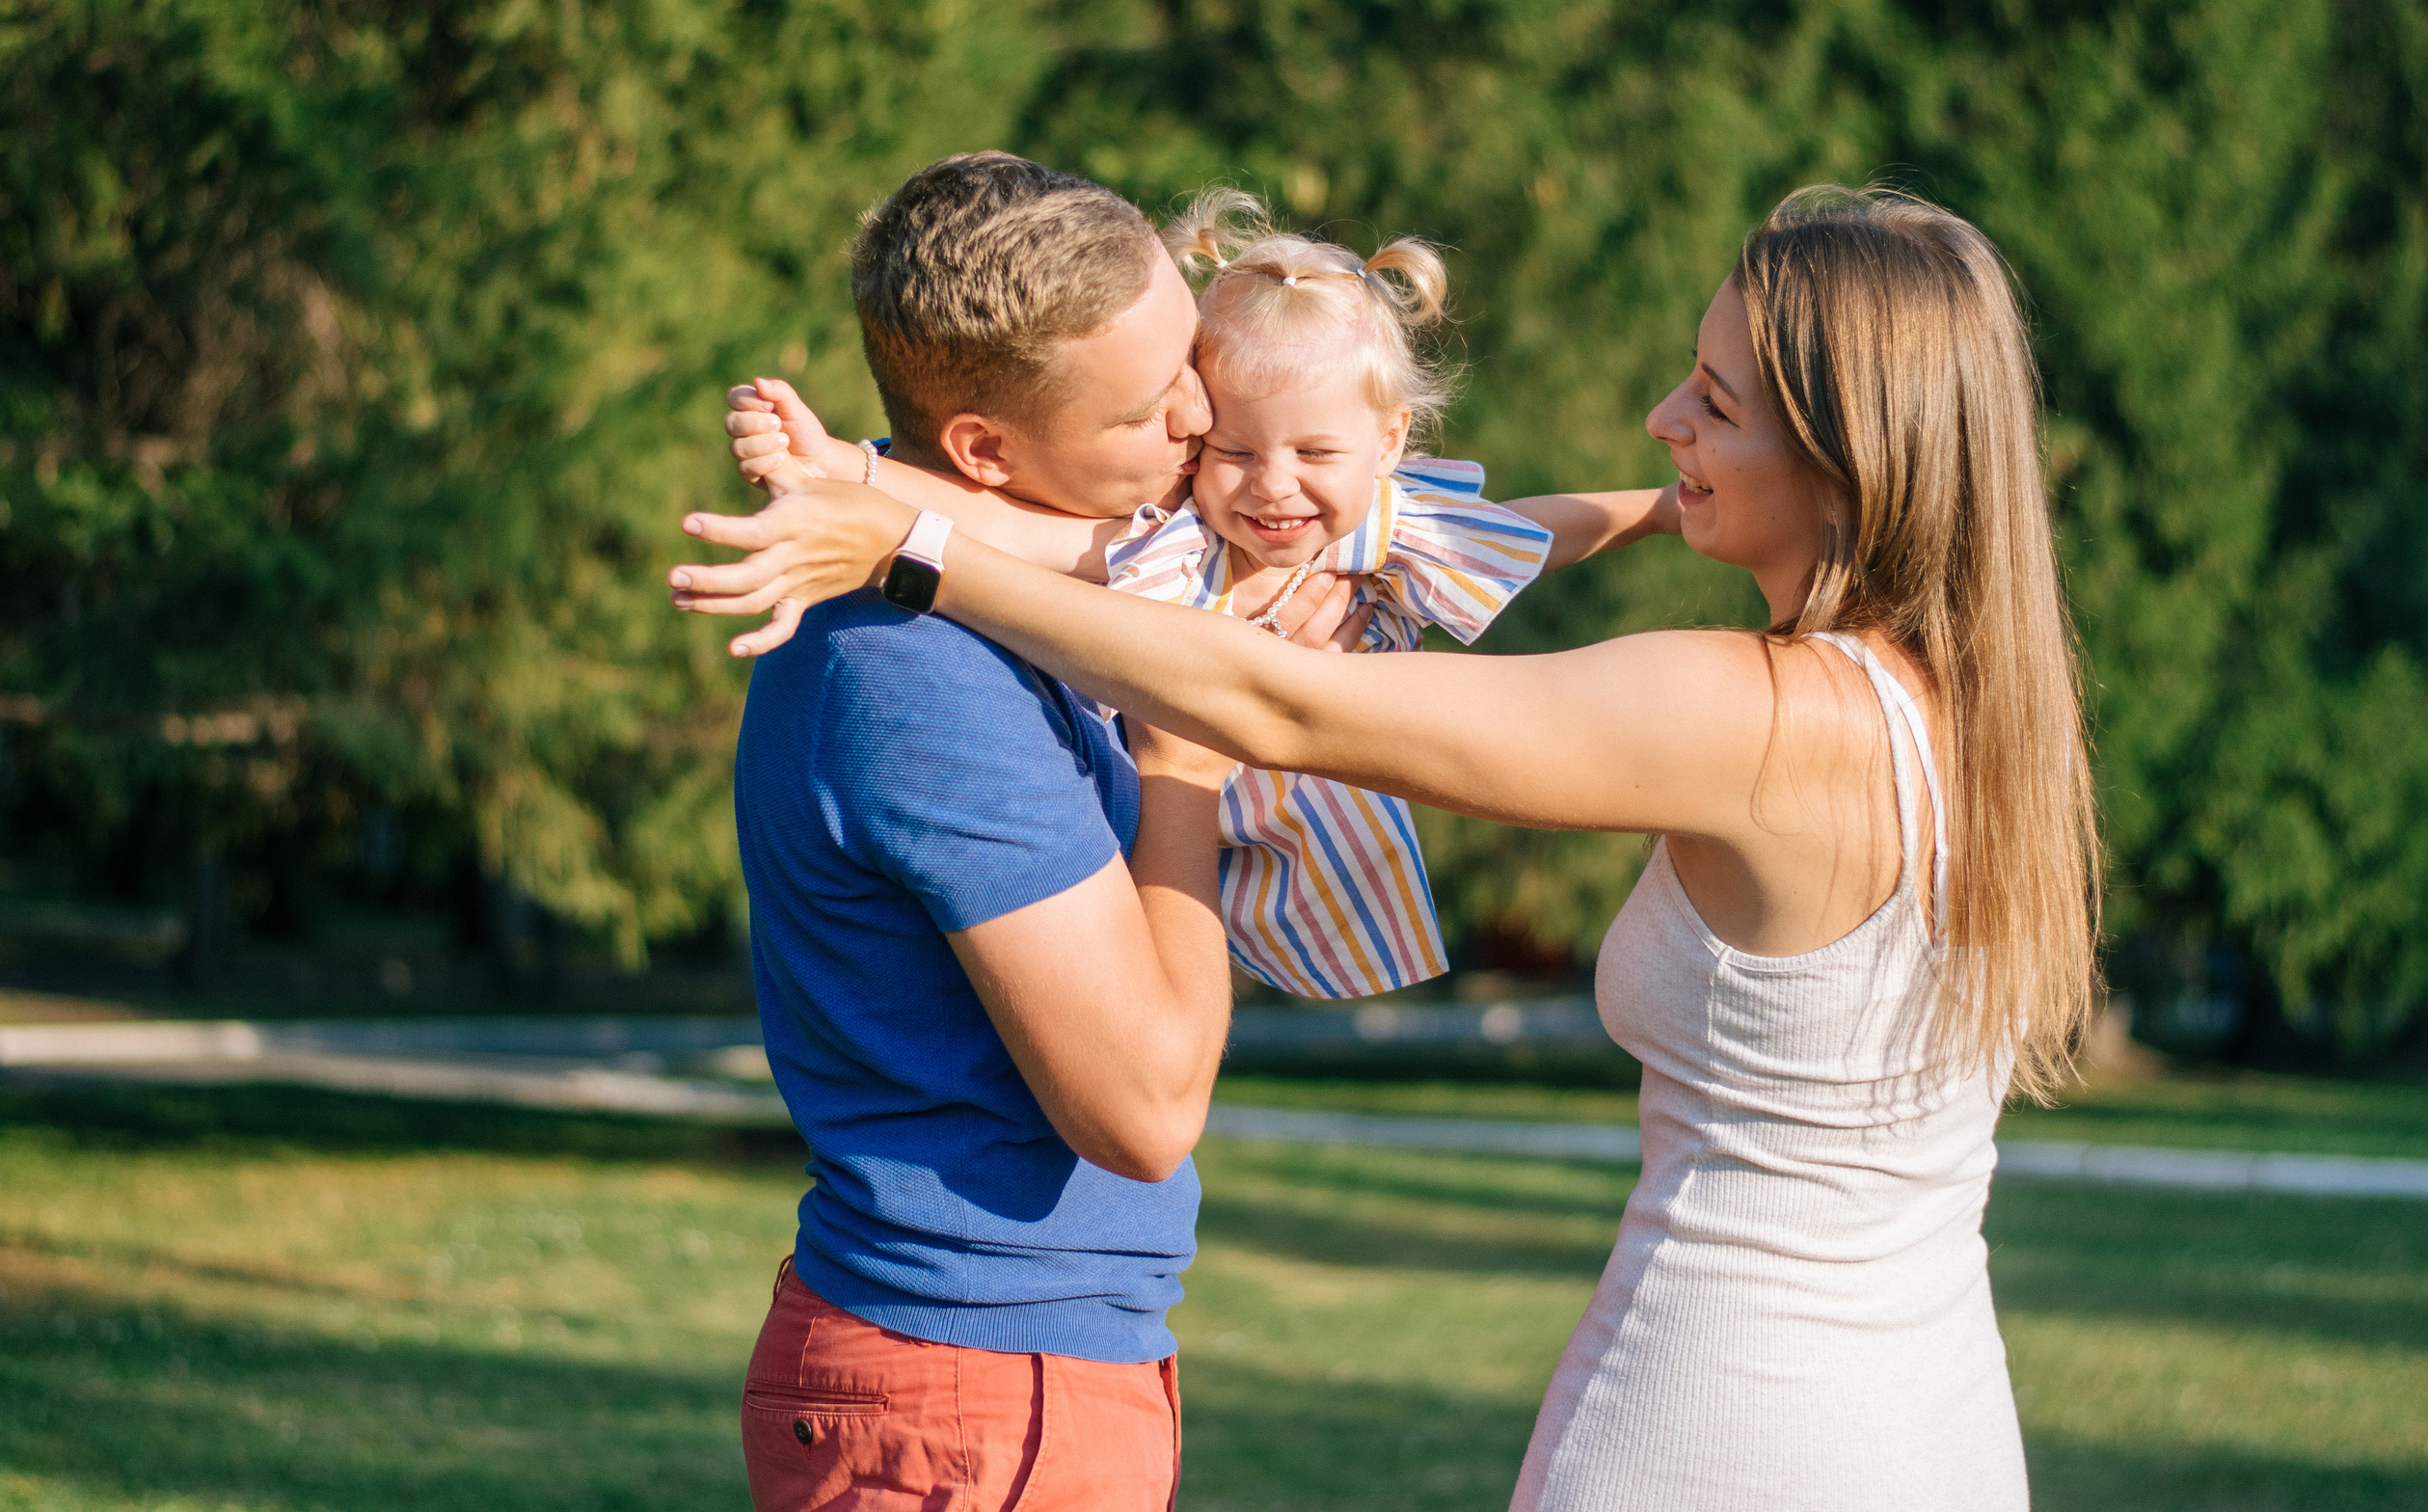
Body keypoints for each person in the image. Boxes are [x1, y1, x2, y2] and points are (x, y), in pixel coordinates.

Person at [672, 184, 2103, 1512]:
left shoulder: (1765, 711)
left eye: (1714, 400)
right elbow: (1150, 558)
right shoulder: (1959, 705)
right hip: (1931, 1414)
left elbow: (1270, 697)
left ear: (1850, 448)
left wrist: (904, 543)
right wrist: (885, 477)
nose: (1663, 417)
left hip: (1733, 1413)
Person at [721, 150, 1355, 1512]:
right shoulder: (918, 669)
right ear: (985, 448)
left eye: (1190, 357)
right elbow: (1141, 1105)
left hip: (1009, 1373)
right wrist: (1180, 764)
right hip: (975, 1393)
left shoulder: (1018, 585)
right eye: (1145, 407)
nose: (1201, 417)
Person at [729, 186, 1675, 999]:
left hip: (1307, 837)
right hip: (1151, 851)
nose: (1271, 486)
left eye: (1313, 453)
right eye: (1231, 448)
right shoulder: (1173, 540)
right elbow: (1003, 534)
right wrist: (850, 471)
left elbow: (1527, 531)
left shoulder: (1377, 530)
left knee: (1542, 732)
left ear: (1386, 446)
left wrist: (1664, 509)